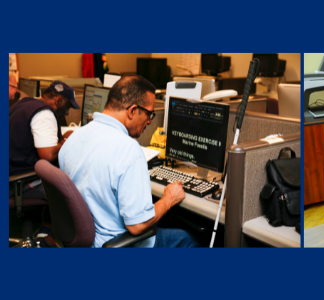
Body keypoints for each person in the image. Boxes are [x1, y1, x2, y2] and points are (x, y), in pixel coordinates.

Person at [59, 75, 200, 248]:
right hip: (116, 244)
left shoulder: (74, 137)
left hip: (84, 241)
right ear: (133, 111)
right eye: (149, 114)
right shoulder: (128, 149)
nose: (149, 121)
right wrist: (169, 199)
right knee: (190, 238)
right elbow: (138, 225)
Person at [9, 81, 79, 199]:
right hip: (21, 182)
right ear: (58, 101)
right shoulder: (44, 113)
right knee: (74, 190)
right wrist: (65, 140)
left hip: (11, 172)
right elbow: (47, 154)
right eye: (67, 107)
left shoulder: (25, 102)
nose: (67, 112)